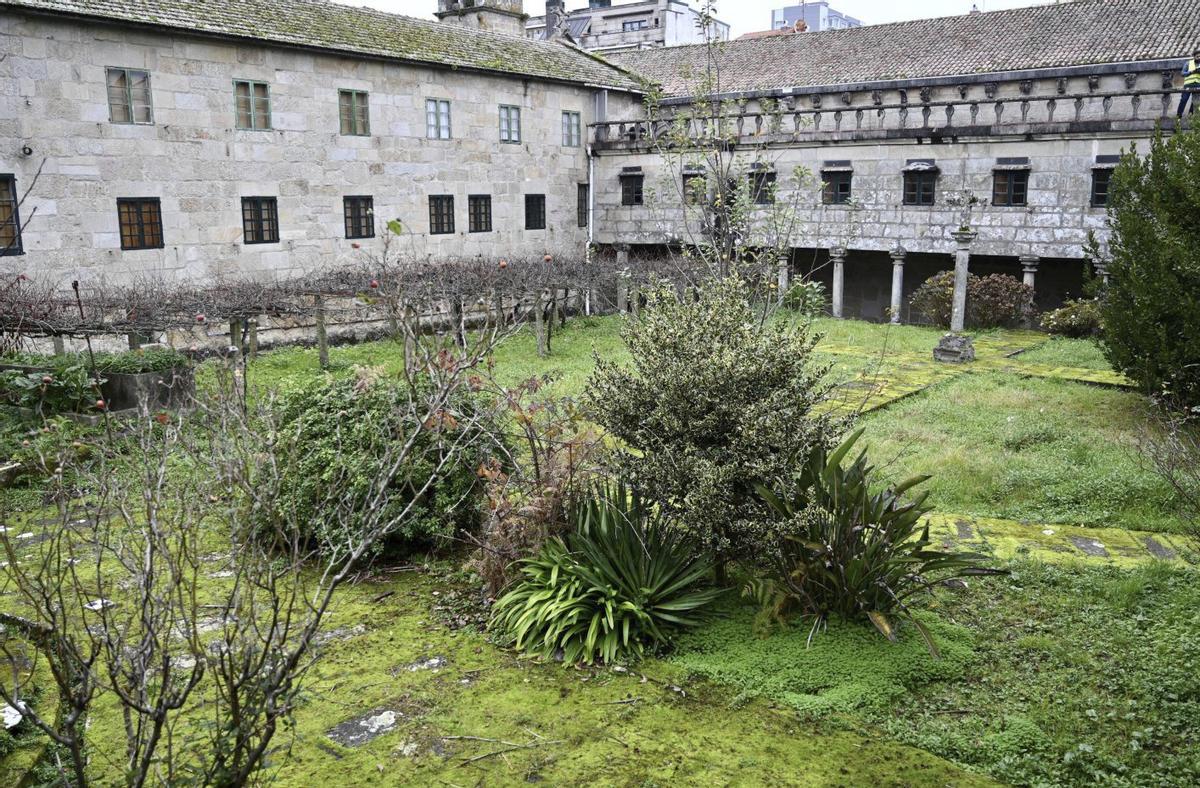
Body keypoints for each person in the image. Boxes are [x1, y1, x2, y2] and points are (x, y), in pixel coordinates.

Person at [1178, 48, 1200, 118]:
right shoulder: (1188, 63)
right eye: (1197, 56)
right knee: (1184, 100)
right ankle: (1178, 116)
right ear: (1194, 56)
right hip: (1188, 85)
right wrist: (1191, 72)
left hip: (1198, 85)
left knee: (1195, 101)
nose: (1199, 58)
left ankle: (1190, 115)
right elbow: (1182, 73)